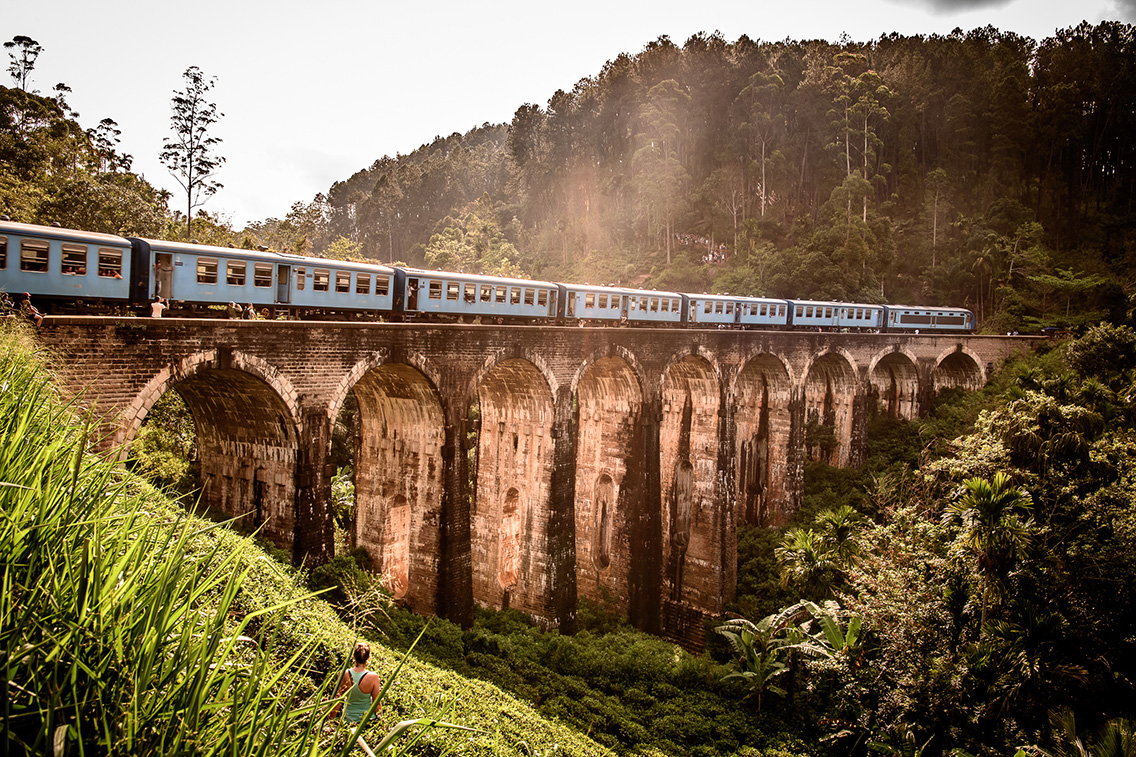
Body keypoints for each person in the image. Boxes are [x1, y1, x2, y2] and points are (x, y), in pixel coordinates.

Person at [336, 642, 381, 725]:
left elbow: (337, 701)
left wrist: (330, 720)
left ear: (353, 656)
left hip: (348, 721)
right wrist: (382, 724)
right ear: (368, 657)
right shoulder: (373, 677)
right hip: (368, 721)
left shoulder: (343, 674)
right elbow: (377, 704)